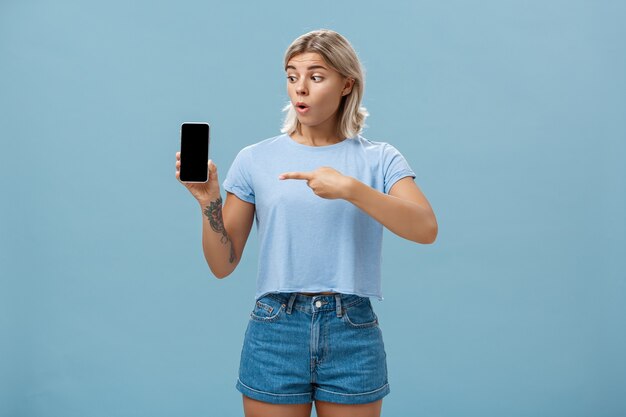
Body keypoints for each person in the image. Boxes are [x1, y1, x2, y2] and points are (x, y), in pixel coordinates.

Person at [175, 28, 437, 417]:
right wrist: (209, 202)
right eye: (292, 75)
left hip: (351, 328)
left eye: (315, 76)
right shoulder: (255, 159)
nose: (300, 88)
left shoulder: (379, 158)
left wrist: (350, 189)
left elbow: (425, 228)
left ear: (347, 84)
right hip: (276, 328)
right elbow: (222, 264)